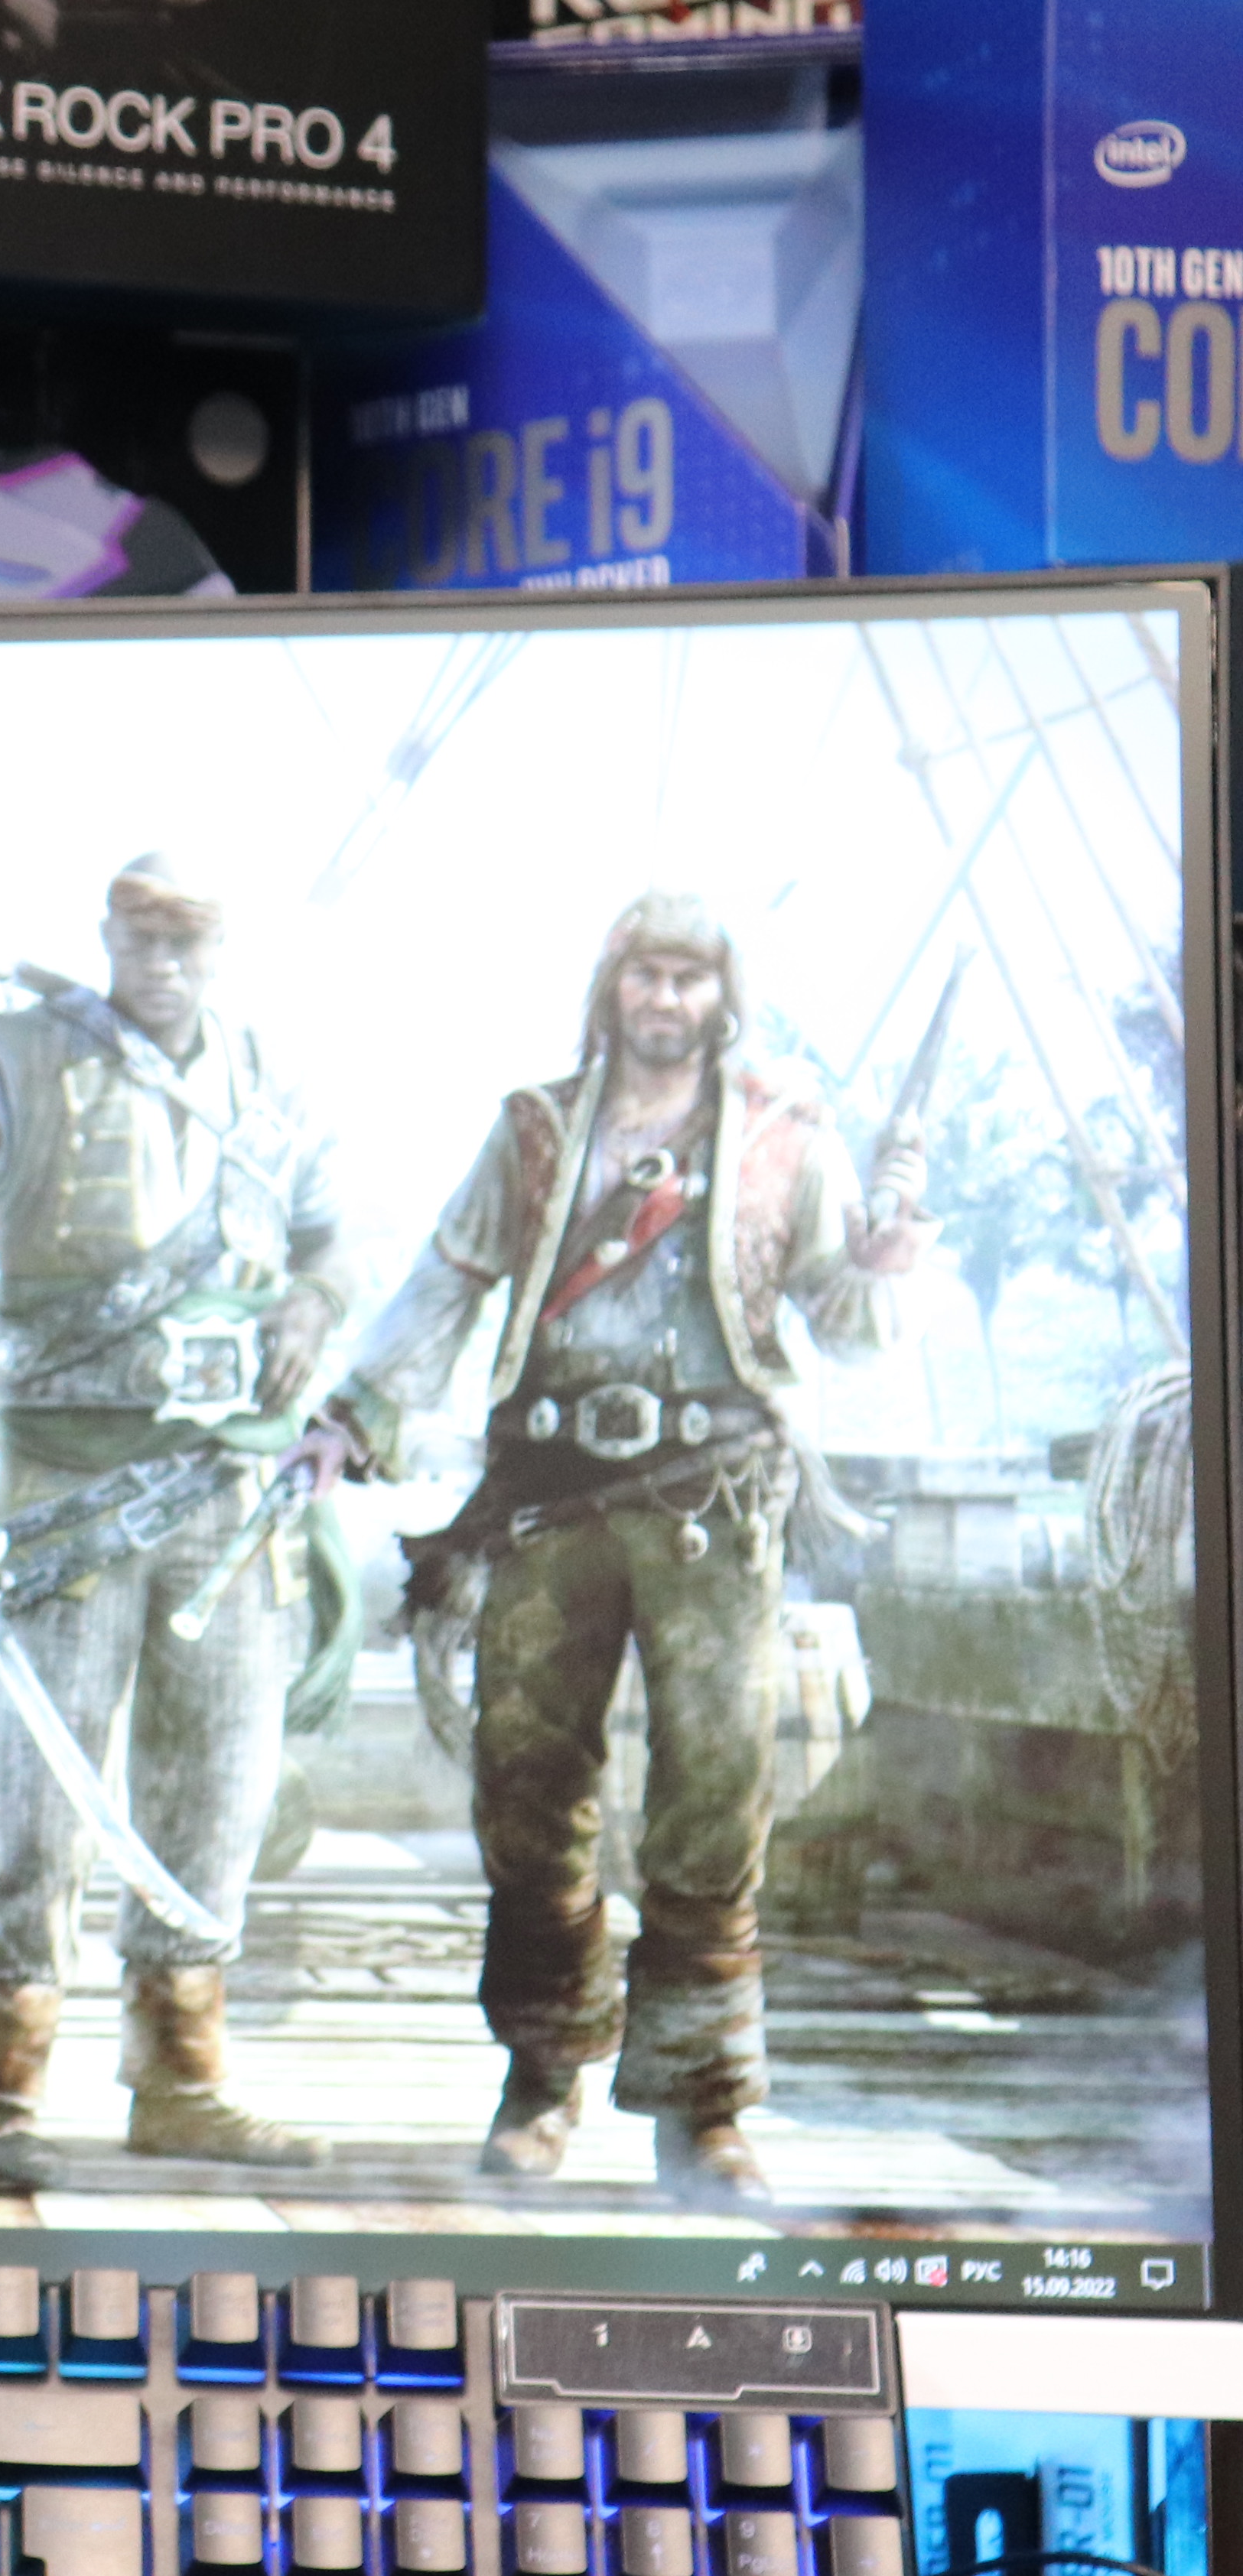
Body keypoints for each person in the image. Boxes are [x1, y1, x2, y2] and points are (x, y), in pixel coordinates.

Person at [296, 893, 925, 2201]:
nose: (666, 1000)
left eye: (691, 978)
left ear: (722, 997)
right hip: (550, 1491)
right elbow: (447, 1277)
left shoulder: (789, 1137)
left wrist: (882, 1259)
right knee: (526, 1784)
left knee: (717, 1791)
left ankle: (702, 2106)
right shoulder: (535, 1132)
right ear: (612, 987)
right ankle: (542, 2074)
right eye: (647, 974)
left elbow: (845, 1324)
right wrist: (354, 1412)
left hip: (716, 1498)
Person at [0, 856, 340, 2187]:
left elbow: (326, 1236)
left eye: (189, 941)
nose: (164, 963)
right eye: (142, 938)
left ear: (224, 949)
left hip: (225, 1488)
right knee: (40, 1794)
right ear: (106, 937)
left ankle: (182, 2081)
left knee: (216, 1788)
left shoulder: (267, 1079)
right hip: (65, 1486)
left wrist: (315, 1301)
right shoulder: (22, 1053)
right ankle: (2, 2091)